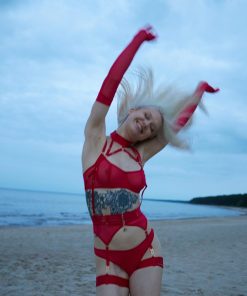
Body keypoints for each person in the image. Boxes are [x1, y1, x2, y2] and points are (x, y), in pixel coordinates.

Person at [82, 26, 219, 296]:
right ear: (133, 110)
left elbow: (176, 126)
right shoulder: (96, 138)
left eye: (152, 128)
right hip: (108, 257)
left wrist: (199, 93)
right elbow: (110, 83)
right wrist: (137, 41)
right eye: (145, 116)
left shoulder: (140, 154)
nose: (146, 125)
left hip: (146, 248)